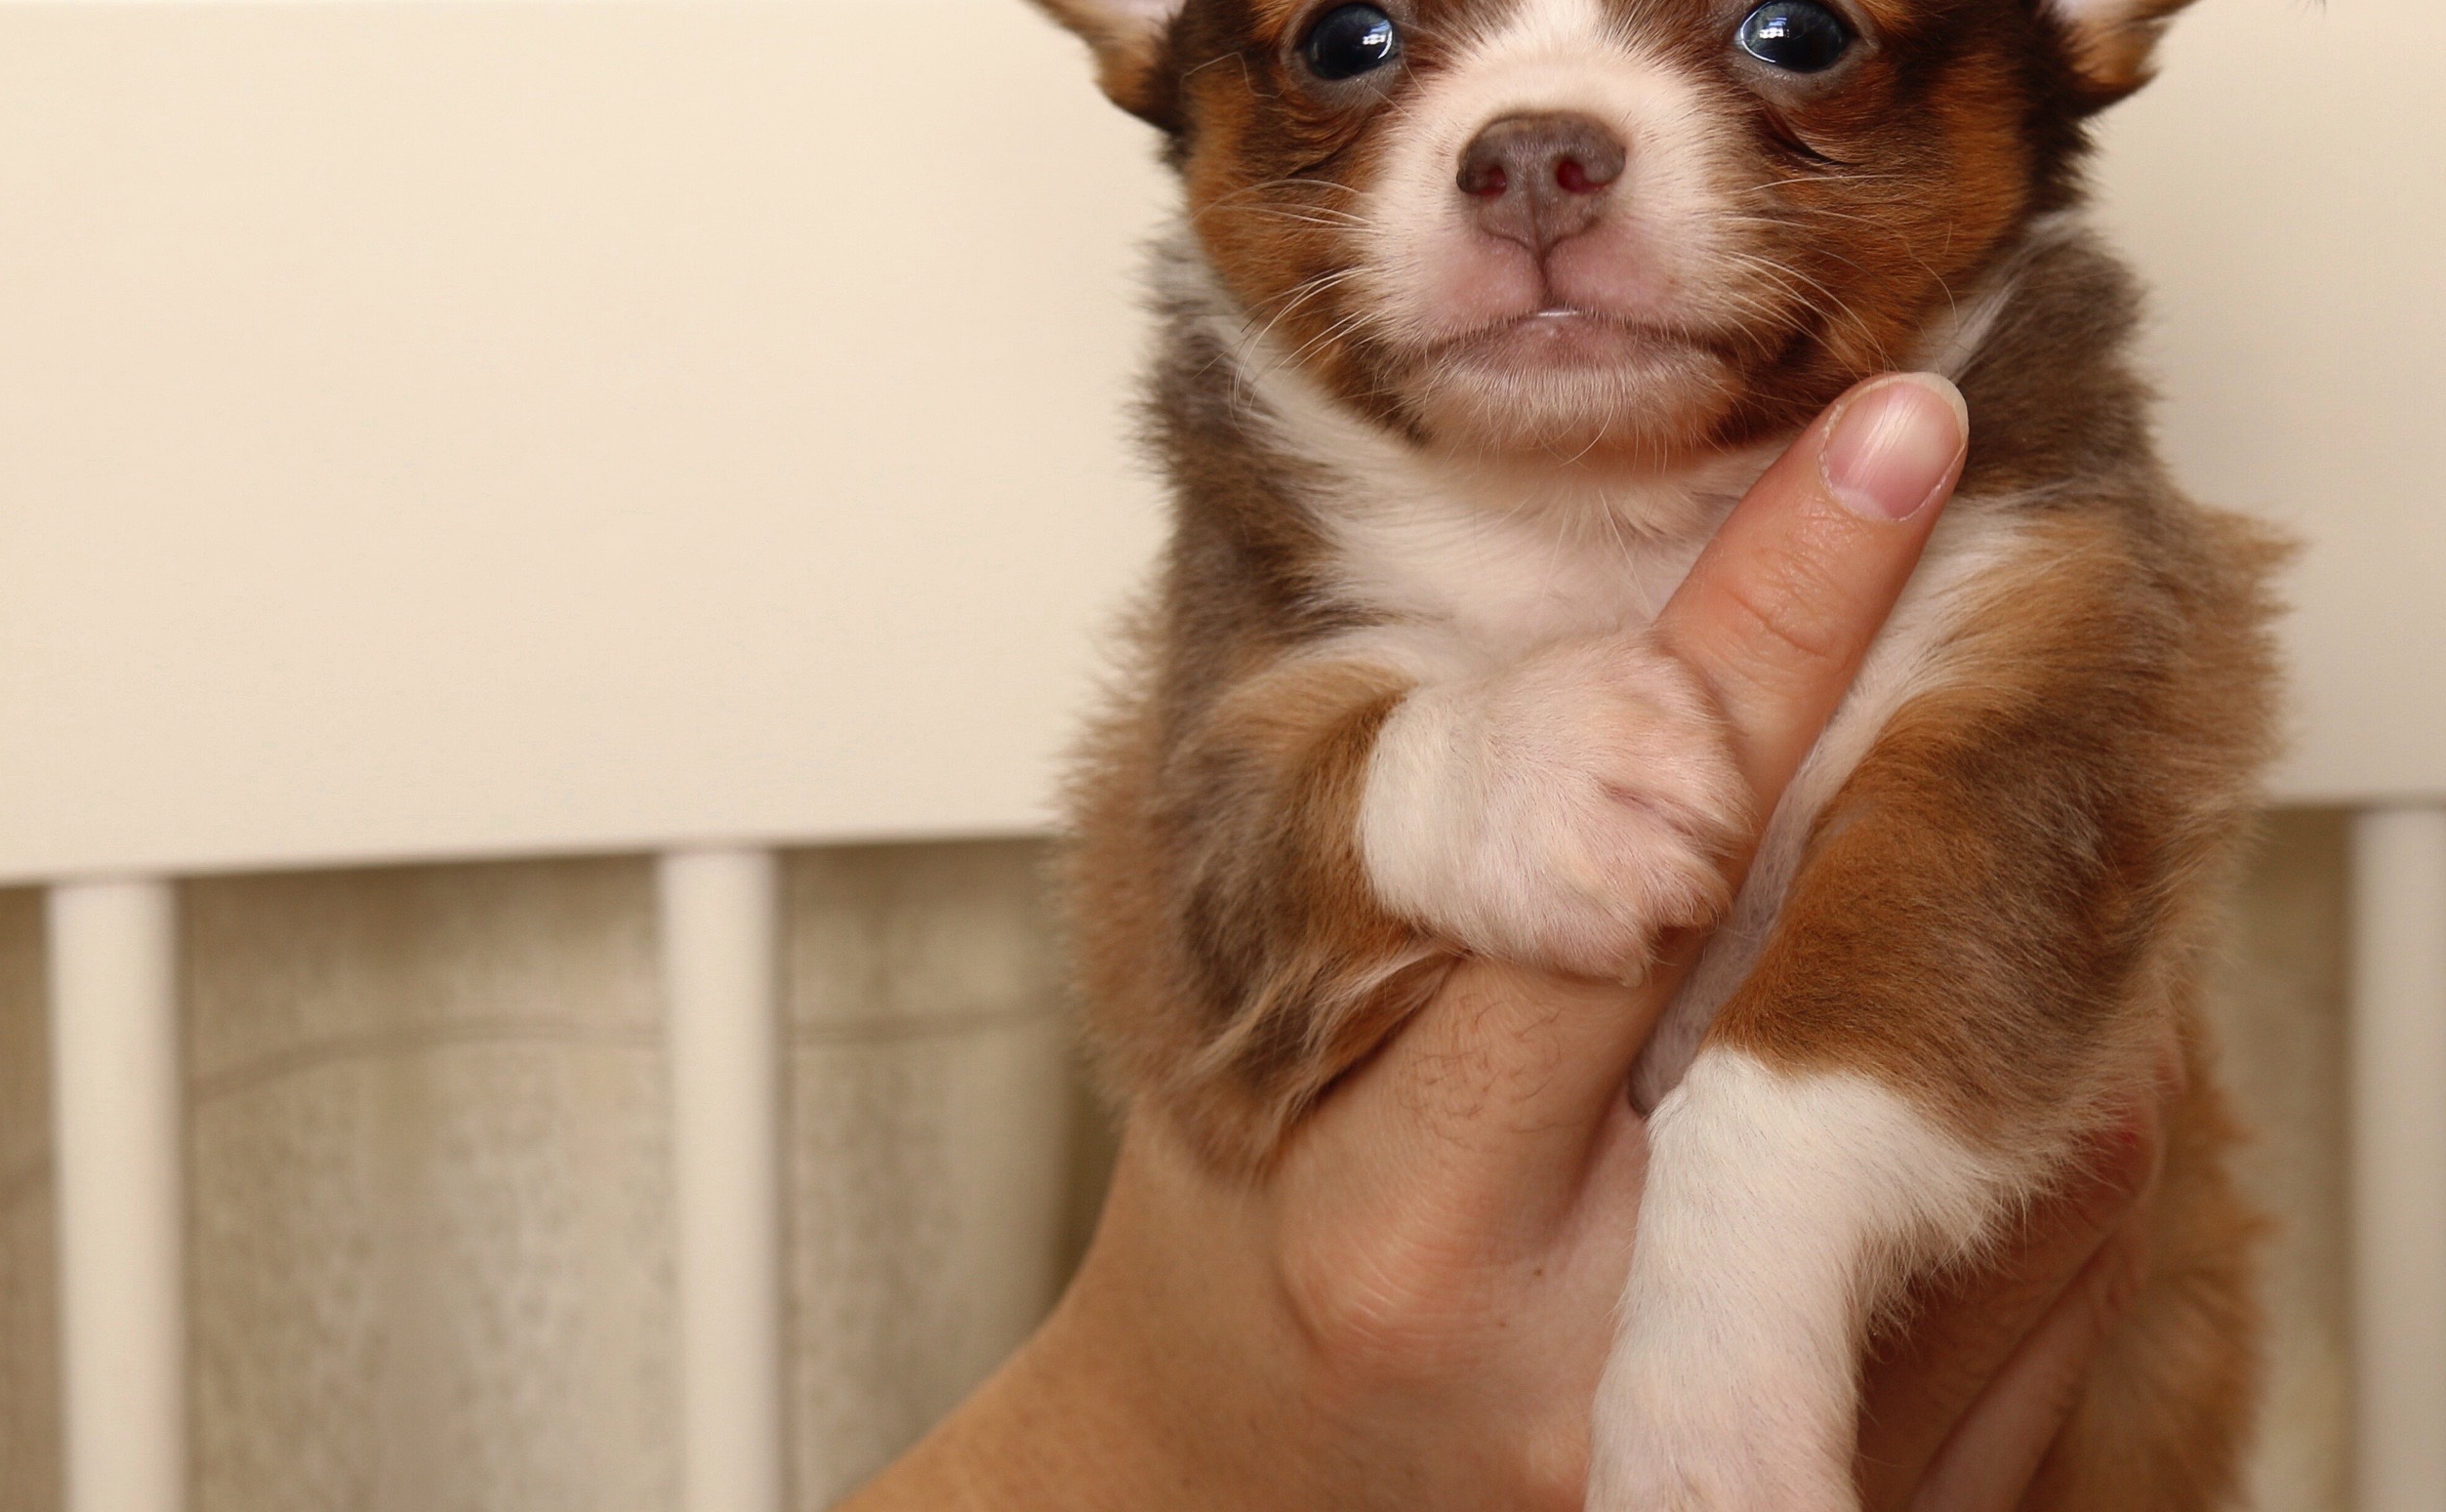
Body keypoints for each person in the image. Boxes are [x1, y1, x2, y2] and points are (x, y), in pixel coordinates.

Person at [846, 376, 2176, 1510]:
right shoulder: (1290, 574)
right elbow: (1218, 906)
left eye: (1796, 64)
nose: (1534, 182)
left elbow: (2071, 817)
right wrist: (1427, 781)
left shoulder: (2042, 539)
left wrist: (1747, 1239)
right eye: (1344, 73)